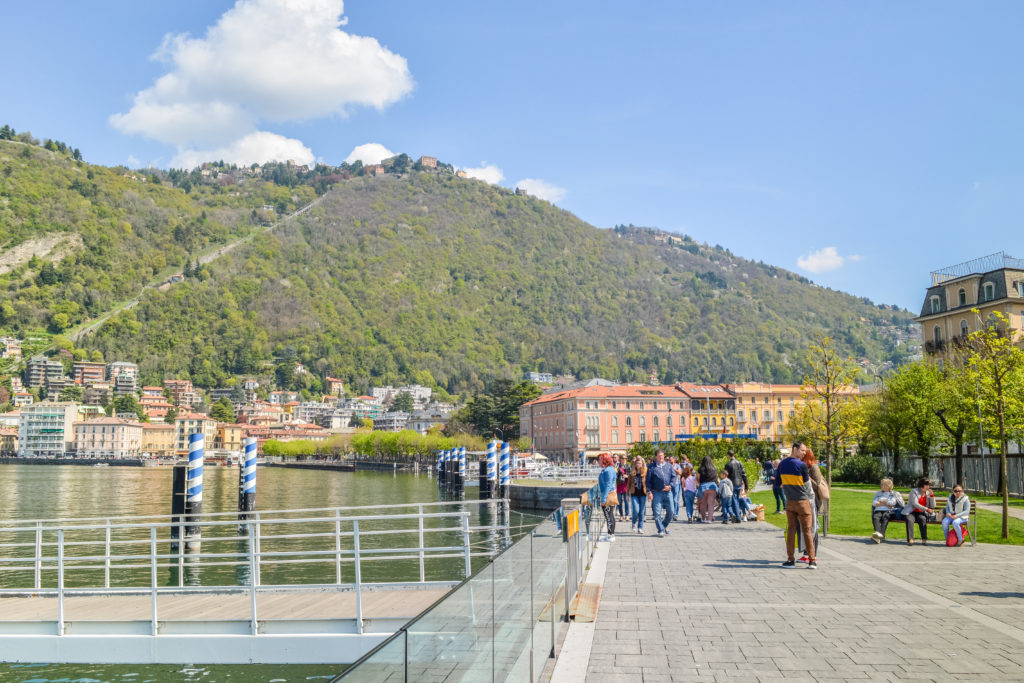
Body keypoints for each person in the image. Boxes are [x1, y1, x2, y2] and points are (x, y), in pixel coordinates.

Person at [779, 442, 816, 569]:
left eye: (805, 451)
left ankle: (790, 560)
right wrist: (811, 500)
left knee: (791, 530)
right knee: (807, 531)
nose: (804, 453)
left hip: (790, 501)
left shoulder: (782, 464)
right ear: (795, 449)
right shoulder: (802, 465)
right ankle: (812, 560)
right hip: (802, 501)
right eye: (802, 450)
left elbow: (779, 482)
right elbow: (808, 486)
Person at [646, 449, 675, 536]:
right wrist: (649, 492)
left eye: (662, 455)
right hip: (656, 492)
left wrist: (670, 486)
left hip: (668, 492)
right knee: (657, 513)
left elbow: (674, 477)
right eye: (659, 456)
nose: (661, 457)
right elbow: (648, 481)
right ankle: (661, 529)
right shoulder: (651, 467)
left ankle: (664, 525)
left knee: (671, 511)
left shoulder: (669, 466)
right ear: (656, 457)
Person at [902, 477, 935, 545]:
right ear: (922, 485)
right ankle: (910, 539)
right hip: (911, 511)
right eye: (926, 485)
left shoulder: (928, 493)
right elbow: (915, 504)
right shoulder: (914, 491)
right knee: (909, 519)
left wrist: (932, 496)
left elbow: (933, 506)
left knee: (922, 519)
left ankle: (924, 539)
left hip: (921, 512)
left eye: (929, 485)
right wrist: (927, 509)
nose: (928, 487)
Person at [870, 478, 904, 543]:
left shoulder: (893, 494)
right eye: (881, 484)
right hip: (878, 510)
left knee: (885, 517)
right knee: (876, 517)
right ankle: (879, 534)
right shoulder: (878, 493)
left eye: (883, 484)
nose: (881, 486)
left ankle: (879, 535)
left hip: (888, 511)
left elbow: (893, 503)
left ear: (888, 486)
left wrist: (882, 502)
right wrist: (886, 503)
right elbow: (874, 503)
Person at [597, 453, 617, 542]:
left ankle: (611, 535)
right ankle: (610, 534)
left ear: (605, 460)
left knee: (609, 516)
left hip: (608, 495)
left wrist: (603, 499)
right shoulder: (609, 469)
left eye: (600, 459)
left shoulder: (608, 470)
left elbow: (608, 485)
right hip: (609, 494)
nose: (598, 461)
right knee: (610, 515)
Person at [724, 450, 749, 523]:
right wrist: (746, 486)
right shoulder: (740, 463)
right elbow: (744, 474)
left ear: (729, 455)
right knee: (736, 500)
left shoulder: (728, 464)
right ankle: (737, 516)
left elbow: (726, 476)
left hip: (732, 484)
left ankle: (738, 517)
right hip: (739, 484)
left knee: (734, 501)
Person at [627, 456, 648, 534]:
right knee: (636, 510)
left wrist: (649, 492)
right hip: (634, 494)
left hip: (643, 494)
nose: (638, 464)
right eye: (637, 463)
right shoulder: (632, 473)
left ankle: (640, 527)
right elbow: (628, 484)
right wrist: (627, 495)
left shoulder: (645, 472)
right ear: (635, 464)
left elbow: (648, 482)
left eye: (640, 463)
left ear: (642, 464)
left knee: (642, 511)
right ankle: (633, 522)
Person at [696, 456, 718, 523]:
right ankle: (709, 519)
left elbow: (697, 479)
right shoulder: (714, 469)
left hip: (703, 487)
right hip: (712, 486)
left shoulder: (700, 469)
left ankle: (703, 518)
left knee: (703, 504)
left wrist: (699, 484)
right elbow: (716, 478)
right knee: (711, 504)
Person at [615, 455, 630, 522]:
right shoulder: (617, 466)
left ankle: (627, 515)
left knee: (626, 502)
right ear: (620, 459)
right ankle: (621, 515)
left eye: (625, 458)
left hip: (626, 486)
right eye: (623, 458)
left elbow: (632, 475)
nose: (624, 459)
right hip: (619, 486)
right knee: (619, 502)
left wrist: (627, 476)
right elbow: (614, 476)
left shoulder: (628, 466)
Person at [669, 456, 683, 521]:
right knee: (670, 500)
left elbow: (680, 473)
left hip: (676, 484)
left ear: (674, 460)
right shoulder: (667, 466)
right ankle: (671, 513)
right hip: (669, 485)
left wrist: (674, 469)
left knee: (675, 500)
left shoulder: (677, 466)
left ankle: (675, 514)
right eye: (669, 460)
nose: (670, 461)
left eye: (671, 460)